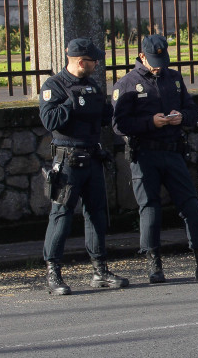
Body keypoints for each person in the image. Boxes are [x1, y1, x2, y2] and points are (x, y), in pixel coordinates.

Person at [112, 34, 198, 284]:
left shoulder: (173, 78)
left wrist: (181, 117)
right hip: (145, 153)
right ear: (141, 56)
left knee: (191, 207)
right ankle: (154, 264)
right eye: (154, 60)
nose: (159, 65)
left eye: (162, 59)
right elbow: (118, 124)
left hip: (173, 151)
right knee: (150, 210)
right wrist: (149, 123)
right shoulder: (128, 83)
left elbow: (191, 110)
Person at [39, 37, 128, 296]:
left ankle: (100, 270)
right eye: (93, 60)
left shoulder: (91, 85)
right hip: (67, 160)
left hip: (91, 156)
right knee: (61, 216)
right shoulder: (54, 85)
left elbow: (102, 117)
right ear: (80, 61)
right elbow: (49, 120)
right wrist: (72, 102)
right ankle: (53, 272)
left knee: (97, 214)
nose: (96, 64)